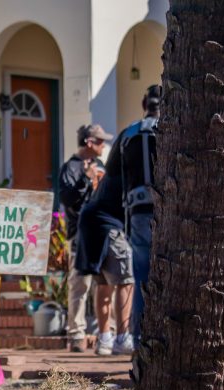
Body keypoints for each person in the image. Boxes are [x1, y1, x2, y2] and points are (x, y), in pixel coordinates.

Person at [104, 85, 160, 349]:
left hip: (137, 212)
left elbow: (112, 172)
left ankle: (139, 338)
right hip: (173, 213)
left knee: (141, 276)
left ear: (143, 103)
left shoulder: (129, 134)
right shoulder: (174, 129)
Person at [59, 124, 112, 352]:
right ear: (90, 142)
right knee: (80, 284)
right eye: (100, 141)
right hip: (80, 234)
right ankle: (76, 335)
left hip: (101, 231)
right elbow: (67, 199)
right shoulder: (70, 167)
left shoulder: (101, 165)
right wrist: (85, 179)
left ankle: (106, 335)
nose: (104, 146)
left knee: (106, 284)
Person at [75, 168, 135, 356]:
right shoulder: (132, 173)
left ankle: (104, 339)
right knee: (125, 281)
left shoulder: (111, 174)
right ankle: (122, 338)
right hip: (109, 225)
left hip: (89, 224)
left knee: (103, 283)